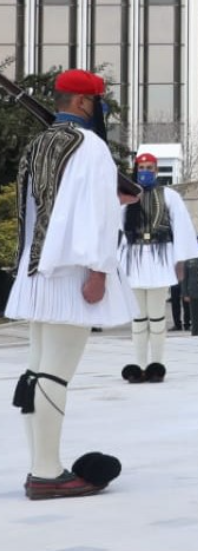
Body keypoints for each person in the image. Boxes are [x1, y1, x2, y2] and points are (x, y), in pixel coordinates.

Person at [6, 68, 134, 499]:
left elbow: (46, 209)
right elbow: (95, 214)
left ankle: (41, 465)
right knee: (54, 376)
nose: (98, 111)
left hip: (38, 271)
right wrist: (99, 271)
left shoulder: (39, 144)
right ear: (82, 103)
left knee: (36, 372)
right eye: (96, 103)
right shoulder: (90, 146)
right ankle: (46, 472)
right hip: (72, 273)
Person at [120, 152, 198, 383]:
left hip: (159, 257)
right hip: (134, 259)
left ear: (156, 170)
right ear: (136, 169)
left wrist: (180, 261)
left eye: (149, 167)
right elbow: (116, 230)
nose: (145, 171)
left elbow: (182, 228)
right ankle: (140, 365)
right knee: (138, 317)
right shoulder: (127, 197)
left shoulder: (170, 196)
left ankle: (156, 364)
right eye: (141, 167)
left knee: (156, 316)